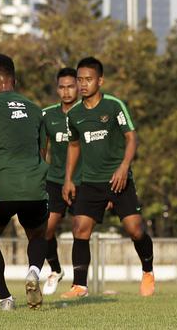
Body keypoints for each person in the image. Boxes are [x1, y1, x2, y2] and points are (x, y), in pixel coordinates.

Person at [62, 56, 156, 299]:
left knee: (135, 230)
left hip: (118, 179)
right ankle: (79, 285)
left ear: (100, 81)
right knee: (80, 228)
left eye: (88, 79)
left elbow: (131, 137)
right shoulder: (74, 114)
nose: (83, 84)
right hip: (90, 182)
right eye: (79, 80)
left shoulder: (114, 106)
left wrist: (124, 166)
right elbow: (73, 146)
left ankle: (147, 270)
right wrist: (68, 179)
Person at [0, 54, 51, 311]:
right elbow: (42, 152)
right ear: (13, 80)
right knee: (38, 234)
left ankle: (5, 299)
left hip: (0, 188)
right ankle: (34, 272)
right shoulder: (36, 109)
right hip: (34, 185)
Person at [39, 67, 79, 295]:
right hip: (54, 180)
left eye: (70, 86)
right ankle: (55, 269)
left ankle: (79, 283)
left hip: (82, 180)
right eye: (62, 87)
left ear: (78, 87)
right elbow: (42, 150)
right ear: (57, 89)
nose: (66, 91)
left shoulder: (87, 112)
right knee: (46, 229)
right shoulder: (47, 116)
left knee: (79, 231)